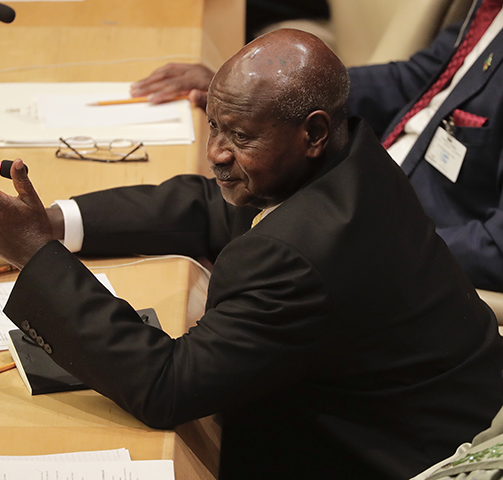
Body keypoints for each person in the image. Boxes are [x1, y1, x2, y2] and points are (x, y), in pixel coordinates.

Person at [0, 29, 503, 480]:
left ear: (312, 132)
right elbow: (209, 206)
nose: (214, 154)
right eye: (213, 126)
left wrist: (34, 255)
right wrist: (56, 224)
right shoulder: (347, 155)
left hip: (408, 459)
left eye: (238, 137)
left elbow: (166, 386)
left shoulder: (299, 253)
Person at [130, 0, 503, 293]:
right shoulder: (490, 9)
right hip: (364, 185)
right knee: (205, 203)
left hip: (410, 247)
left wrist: (376, 241)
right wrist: (268, 95)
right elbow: (421, 77)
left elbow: (497, 250)